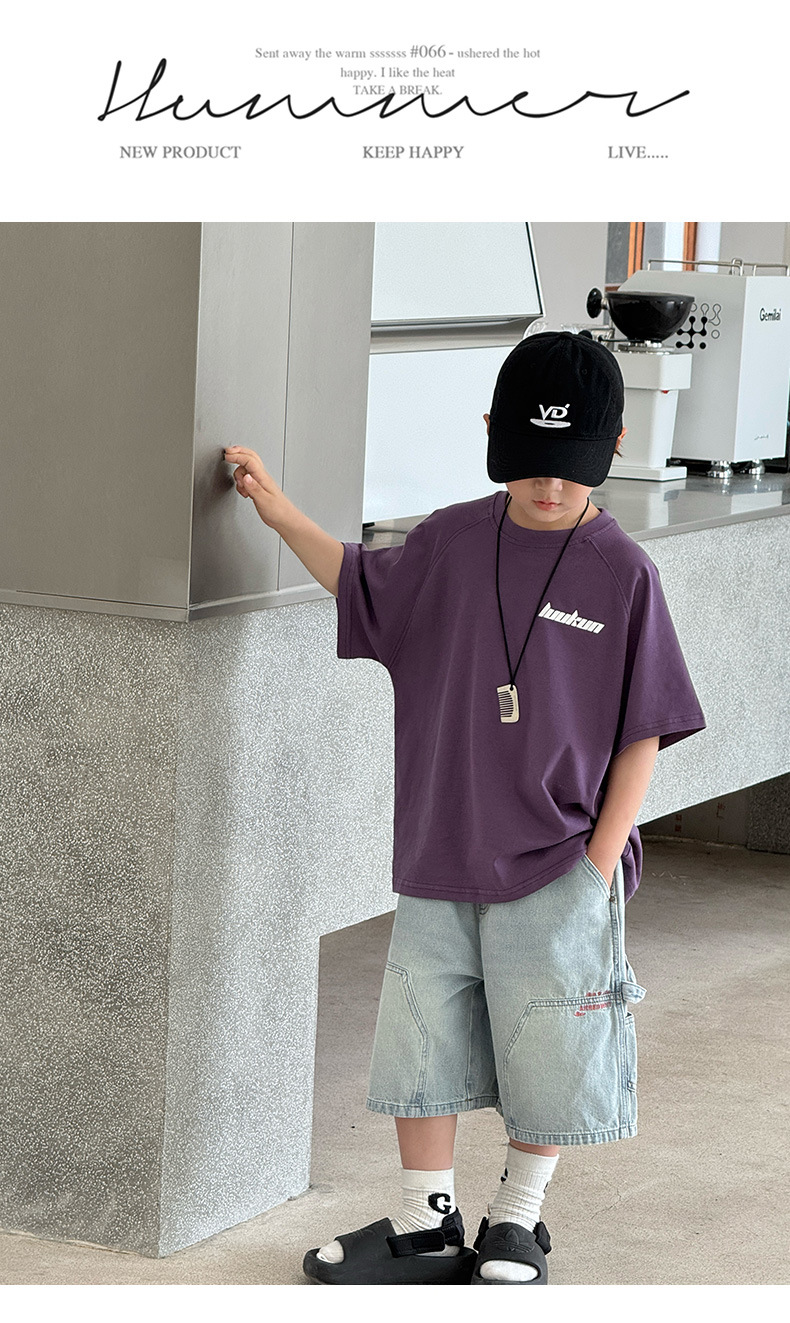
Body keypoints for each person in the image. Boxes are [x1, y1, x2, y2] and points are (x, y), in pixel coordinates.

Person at [222, 330, 707, 1286]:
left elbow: (644, 730)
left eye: (570, 466)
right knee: (422, 1033)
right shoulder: (449, 542)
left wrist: (598, 864)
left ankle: (518, 1215)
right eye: (529, 460)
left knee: (549, 1038)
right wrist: (277, 510)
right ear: (490, 433)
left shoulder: (623, 574)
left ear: (612, 447)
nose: (549, 486)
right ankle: (425, 1220)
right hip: (442, 847)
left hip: (561, 861)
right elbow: (360, 581)